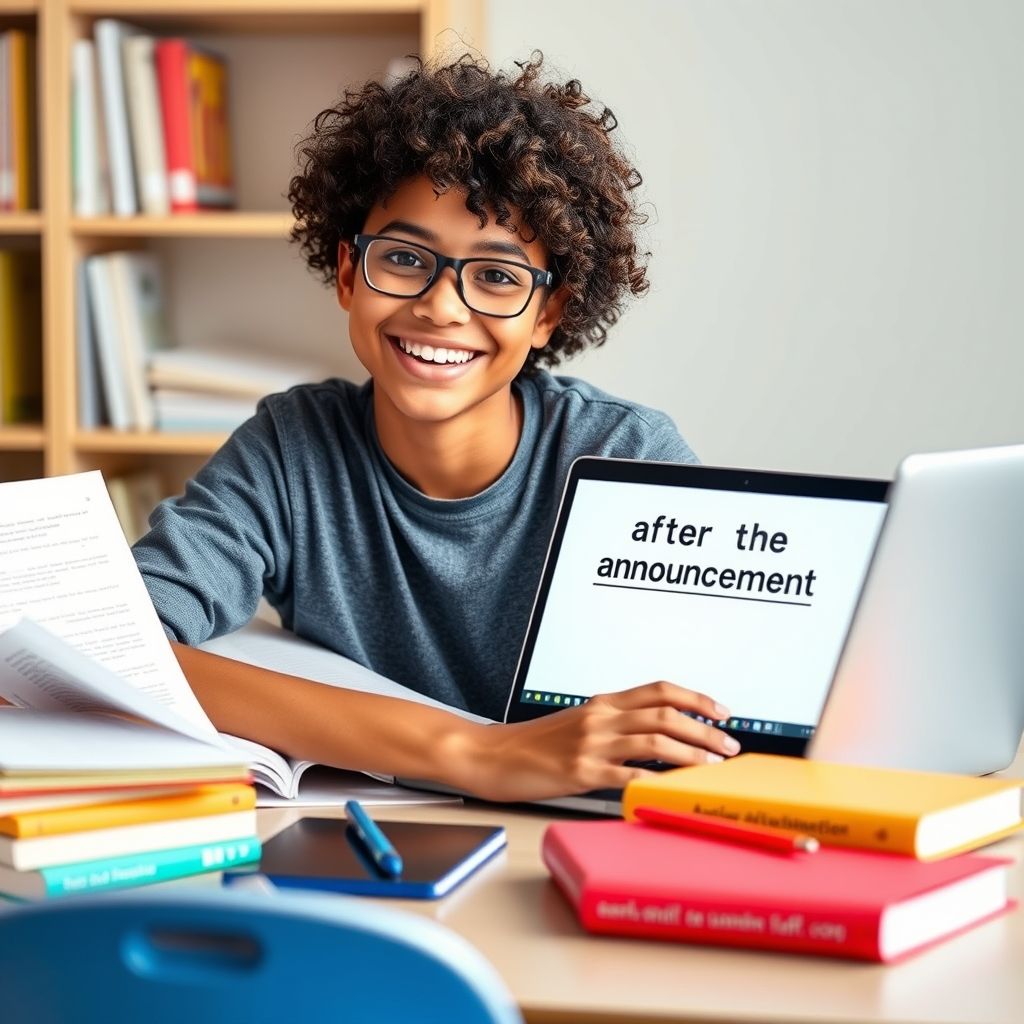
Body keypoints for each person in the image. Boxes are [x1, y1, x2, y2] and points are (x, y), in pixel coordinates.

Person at [132, 53, 741, 801]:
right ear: (350, 273)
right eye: (405, 258)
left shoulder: (627, 458)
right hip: (369, 838)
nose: (441, 308)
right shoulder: (292, 451)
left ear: (549, 313)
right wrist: (473, 752)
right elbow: (115, 649)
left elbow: (715, 724)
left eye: (496, 276)